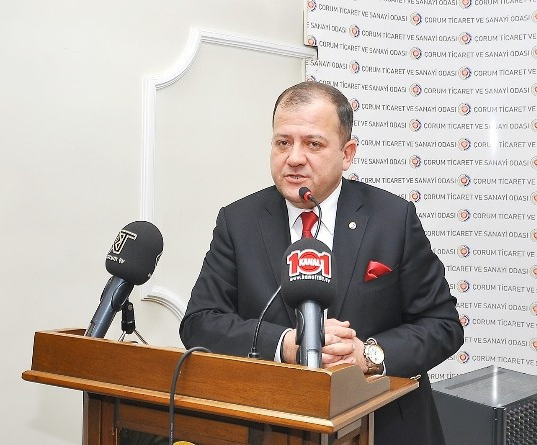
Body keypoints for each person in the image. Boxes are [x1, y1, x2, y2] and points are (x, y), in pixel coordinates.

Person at [179, 81, 463, 445]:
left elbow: (443, 325)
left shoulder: (393, 219)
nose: (294, 158)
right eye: (283, 142)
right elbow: (200, 322)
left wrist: (368, 354)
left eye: (313, 144)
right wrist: (285, 344)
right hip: (274, 427)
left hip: (383, 427)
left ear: (347, 154)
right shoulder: (239, 221)